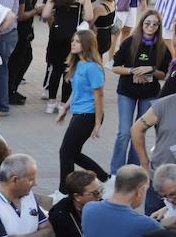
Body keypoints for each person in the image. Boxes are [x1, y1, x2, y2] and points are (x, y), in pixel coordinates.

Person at [112, 11, 171, 172]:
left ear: (159, 27)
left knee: (139, 132)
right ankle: (115, 173)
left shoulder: (162, 47)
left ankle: (132, 170)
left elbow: (164, 74)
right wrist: (133, 71)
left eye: (155, 24)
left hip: (149, 93)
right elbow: (115, 67)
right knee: (124, 132)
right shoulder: (129, 42)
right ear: (141, 23)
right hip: (127, 92)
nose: (151, 26)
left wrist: (150, 70)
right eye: (147, 23)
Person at [56, 28, 109, 180]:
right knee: (74, 154)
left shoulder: (92, 67)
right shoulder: (79, 63)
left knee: (65, 152)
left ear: (86, 44)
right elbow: (76, 91)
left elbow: (99, 95)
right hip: (80, 113)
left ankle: (64, 191)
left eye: (77, 42)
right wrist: (65, 109)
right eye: (73, 41)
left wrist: (97, 123)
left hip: (88, 115)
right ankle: (106, 179)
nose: (73, 44)